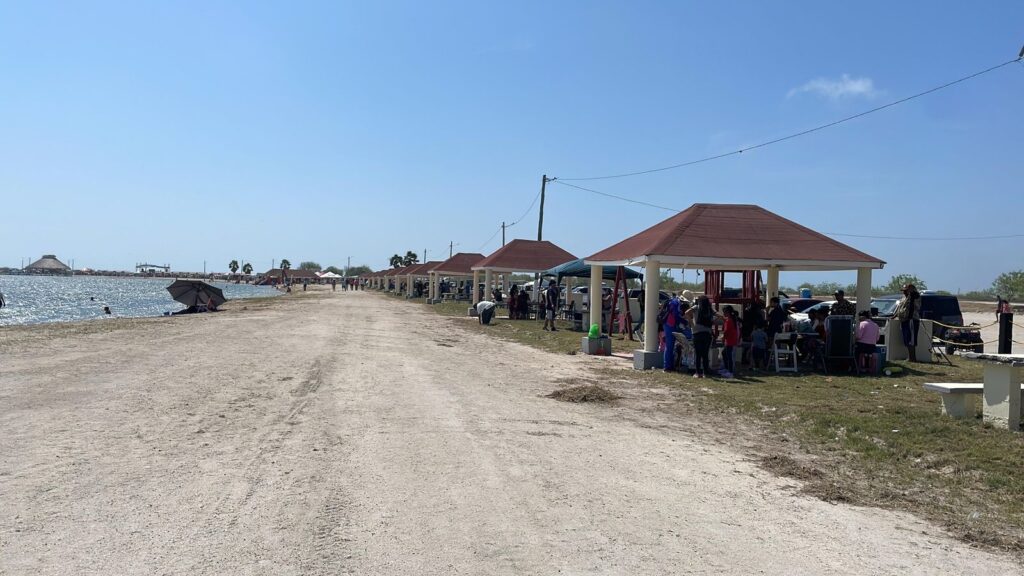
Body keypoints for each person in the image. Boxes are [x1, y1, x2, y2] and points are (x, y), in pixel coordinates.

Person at [686, 296, 716, 378]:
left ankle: (698, 373)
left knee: (698, 354)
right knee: (705, 354)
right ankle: (705, 373)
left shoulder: (696, 307)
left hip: (697, 333)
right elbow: (718, 315)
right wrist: (715, 321)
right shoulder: (709, 309)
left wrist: (691, 323)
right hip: (707, 334)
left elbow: (686, 312)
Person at [891, 283, 922, 361]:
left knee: (911, 339)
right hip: (904, 319)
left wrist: (911, 295)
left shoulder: (915, 296)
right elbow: (900, 308)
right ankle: (910, 357)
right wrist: (895, 316)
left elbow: (915, 307)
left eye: (906, 290)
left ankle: (912, 358)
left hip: (912, 319)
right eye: (903, 290)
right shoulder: (903, 297)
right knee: (906, 339)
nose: (904, 292)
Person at [660, 295, 684, 372]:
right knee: (669, 346)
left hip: (668, 324)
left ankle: (670, 365)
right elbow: (676, 315)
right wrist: (684, 321)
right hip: (670, 324)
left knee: (671, 346)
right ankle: (667, 366)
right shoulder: (675, 303)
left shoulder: (672, 301)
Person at [855, 310, 880, 374]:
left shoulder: (862, 323)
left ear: (863, 317)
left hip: (862, 346)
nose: (858, 318)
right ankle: (869, 369)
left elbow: (858, 336)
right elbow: (877, 339)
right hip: (872, 347)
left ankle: (857, 368)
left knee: (855, 351)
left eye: (859, 317)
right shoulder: (876, 325)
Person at [719, 306, 740, 378]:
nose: (723, 313)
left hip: (730, 340)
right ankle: (727, 369)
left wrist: (723, 338)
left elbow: (726, 331)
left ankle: (730, 372)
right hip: (731, 339)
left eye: (724, 312)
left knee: (729, 356)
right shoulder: (732, 319)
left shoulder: (729, 320)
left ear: (727, 312)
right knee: (724, 353)